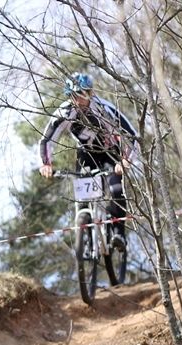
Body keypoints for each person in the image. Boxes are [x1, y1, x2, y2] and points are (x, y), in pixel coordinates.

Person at [39, 72, 138, 251]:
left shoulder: (104, 108)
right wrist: (46, 163)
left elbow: (131, 135)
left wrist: (125, 160)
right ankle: (85, 224)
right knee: (83, 194)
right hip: (86, 154)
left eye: (82, 94)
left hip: (111, 152)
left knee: (115, 188)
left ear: (90, 93)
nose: (78, 100)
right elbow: (47, 139)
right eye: (73, 95)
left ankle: (118, 233)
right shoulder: (65, 111)